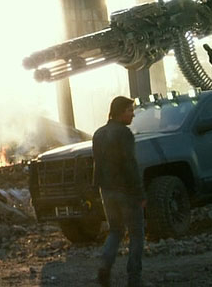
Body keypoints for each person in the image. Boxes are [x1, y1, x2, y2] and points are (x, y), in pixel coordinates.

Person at [92, 96, 145, 287]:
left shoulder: (98, 134)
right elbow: (130, 164)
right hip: (127, 192)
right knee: (137, 234)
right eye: (130, 110)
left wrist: (97, 188)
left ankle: (104, 266)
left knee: (115, 230)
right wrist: (140, 193)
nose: (133, 114)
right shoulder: (124, 133)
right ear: (120, 112)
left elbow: (97, 164)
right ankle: (134, 278)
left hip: (107, 192)